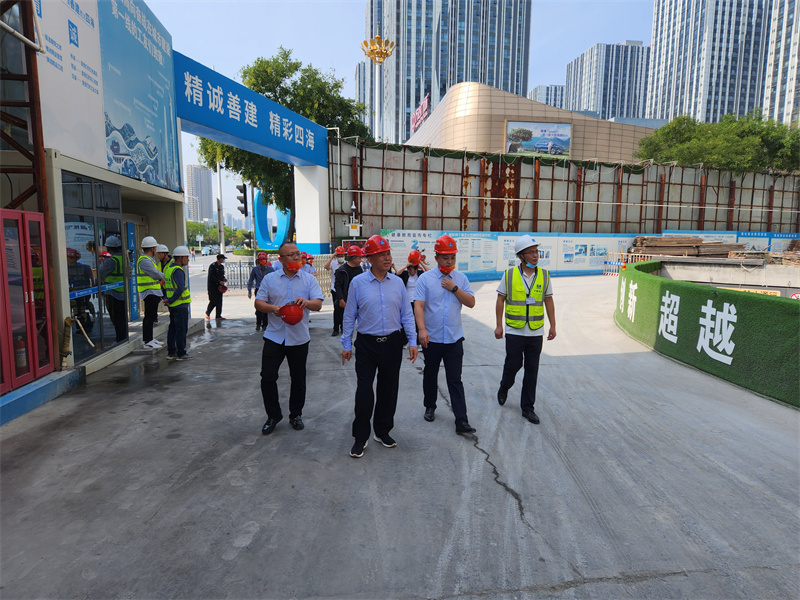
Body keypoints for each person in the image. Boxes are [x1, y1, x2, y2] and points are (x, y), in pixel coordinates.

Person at [341, 235, 417, 458]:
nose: (387, 258)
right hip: (367, 344)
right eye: (381, 254)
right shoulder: (358, 283)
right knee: (364, 392)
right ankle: (360, 437)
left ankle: (382, 431)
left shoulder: (398, 283)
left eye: (388, 253)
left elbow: (406, 314)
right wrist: (346, 343)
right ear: (370, 259)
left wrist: (412, 341)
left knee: (388, 390)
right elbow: (349, 315)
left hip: (392, 343)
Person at [255, 242, 323, 435]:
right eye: (291, 255)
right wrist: (273, 309)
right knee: (267, 377)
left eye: (297, 254)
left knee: (298, 378)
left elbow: (318, 304)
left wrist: (306, 302)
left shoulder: (309, 279)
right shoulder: (270, 279)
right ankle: (273, 416)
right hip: (274, 336)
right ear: (281, 259)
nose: (296, 257)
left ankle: (296, 414)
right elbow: (259, 302)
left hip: (299, 338)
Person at [414, 235, 477, 434]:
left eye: (452, 257)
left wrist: (454, 288)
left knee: (455, 379)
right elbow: (418, 305)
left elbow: (471, 302)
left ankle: (461, 420)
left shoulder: (461, 279)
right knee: (430, 374)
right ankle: (430, 406)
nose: (449, 261)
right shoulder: (425, 279)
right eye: (445, 257)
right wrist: (422, 330)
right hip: (431, 338)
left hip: (453, 339)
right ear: (436, 257)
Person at [495, 235, 556, 425]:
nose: (536, 255)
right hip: (514, 331)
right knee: (513, 365)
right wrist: (499, 325)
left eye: (536, 251)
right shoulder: (509, 275)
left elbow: (548, 300)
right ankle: (505, 385)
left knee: (532, 370)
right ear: (521, 256)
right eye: (531, 252)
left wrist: (553, 325)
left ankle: (528, 408)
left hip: (535, 332)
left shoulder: (544, 275)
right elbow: (500, 300)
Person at [163, 246, 193, 360]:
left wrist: (167, 299)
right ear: (180, 258)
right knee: (181, 330)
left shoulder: (169, 269)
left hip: (172, 306)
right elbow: (180, 289)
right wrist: (170, 300)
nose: (188, 259)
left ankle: (171, 352)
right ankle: (181, 353)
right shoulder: (178, 271)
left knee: (173, 329)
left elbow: (167, 287)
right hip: (180, 305)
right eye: (186, 257)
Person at [136, 236, 166, 349]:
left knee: (151, 316)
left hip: (153, 292)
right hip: (149, 293)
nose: (156, 250)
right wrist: (163, 275)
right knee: (149, 317)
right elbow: (156, 274)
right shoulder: (144, 261)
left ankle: (150, 339)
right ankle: (147, 341)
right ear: (152, 249)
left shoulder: (148, 259)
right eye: (155, 248)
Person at [98, 235, 127, 343]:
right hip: (123, 292)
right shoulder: (124, 259)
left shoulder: (111, 261)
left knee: (116, 318)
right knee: (122, 317)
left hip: (113, 293)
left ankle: (120, 339)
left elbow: (101, 273)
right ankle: (123, 337)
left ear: (108, 248)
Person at [333, 245, 365, 333]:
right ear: (353, 258)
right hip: (344, 298)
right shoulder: (342, 270)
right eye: (359, 258)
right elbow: (338, 286)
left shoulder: (359, 269)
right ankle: (337, 329)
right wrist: (341, 299)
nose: (361, 260)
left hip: (355, 299)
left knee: (351, 320)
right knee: (340, 315)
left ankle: (346, 330)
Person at [248, 252, 274, 331]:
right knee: (259, 308)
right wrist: (249, 291)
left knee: (266, 308)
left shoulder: (270, 269)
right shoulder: (255, 269)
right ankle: (258, 324)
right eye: (260, 260)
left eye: (264, 260)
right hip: (259, 290)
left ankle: (265, 324)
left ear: (266, 260)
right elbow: (250, 280)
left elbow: (275, 280)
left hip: (268, 290)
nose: (262, 262)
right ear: (258, 261)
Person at [324, 245, 347, 336]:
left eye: (341, 255)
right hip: (335, 289)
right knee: (337, 309)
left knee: (344, 309)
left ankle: (343, 327)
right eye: (338, 255)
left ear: (344, 255)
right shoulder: (333, 263)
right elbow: (326, 267)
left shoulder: (347, 264)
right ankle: (336, 328)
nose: (340, 257)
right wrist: (332, 256)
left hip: (345, 290)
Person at [206, 254, 228, 322]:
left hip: (220, 287)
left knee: (219, 301)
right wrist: (219, 281)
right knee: (213, 301)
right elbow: (211, 276)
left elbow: (221, 275)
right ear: (219, 259)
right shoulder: (212, 266)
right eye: (223, 259)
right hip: (212, 287)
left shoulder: (221, 266)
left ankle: (218, 315)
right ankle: (208, 312)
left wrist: (223, 279)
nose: (223, 260)